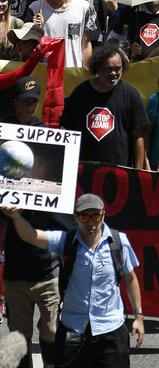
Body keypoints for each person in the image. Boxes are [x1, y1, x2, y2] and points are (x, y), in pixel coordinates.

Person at [2, 193, 144, 368]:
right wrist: (15, 216)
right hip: (74, 328)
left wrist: (138, 316)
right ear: (76, 218)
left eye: (96, 216)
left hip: (110, 328)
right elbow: (30, 236)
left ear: (103, 215)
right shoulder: (66, 241)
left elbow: (130, 279)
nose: (91, 222)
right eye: (84, 216)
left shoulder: (118, 242)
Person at [0, 77, 60, 368]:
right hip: (14, 260)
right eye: (24, 100)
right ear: (14, 102)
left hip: (44, 260)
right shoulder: (2, 134)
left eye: (33, 101)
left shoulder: (45, 136)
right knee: (18, 337)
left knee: (51, 331)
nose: (28, 105)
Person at [61, 43, 149, 168]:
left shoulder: (131, 95)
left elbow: (138, 137)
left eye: (118, 68)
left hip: (119, 172)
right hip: (84, 169)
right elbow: (67, 131)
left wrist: (137, 173)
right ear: (97, 68)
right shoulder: (81, 93)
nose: (114, 73)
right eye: (108, 69)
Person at [31, 0, 97, 68]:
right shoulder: (35, 8)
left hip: (73, 73)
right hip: (44, 71)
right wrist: (36, 27)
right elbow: (30, 45)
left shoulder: (85, 7)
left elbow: (86, 43)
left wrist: (87, 71)